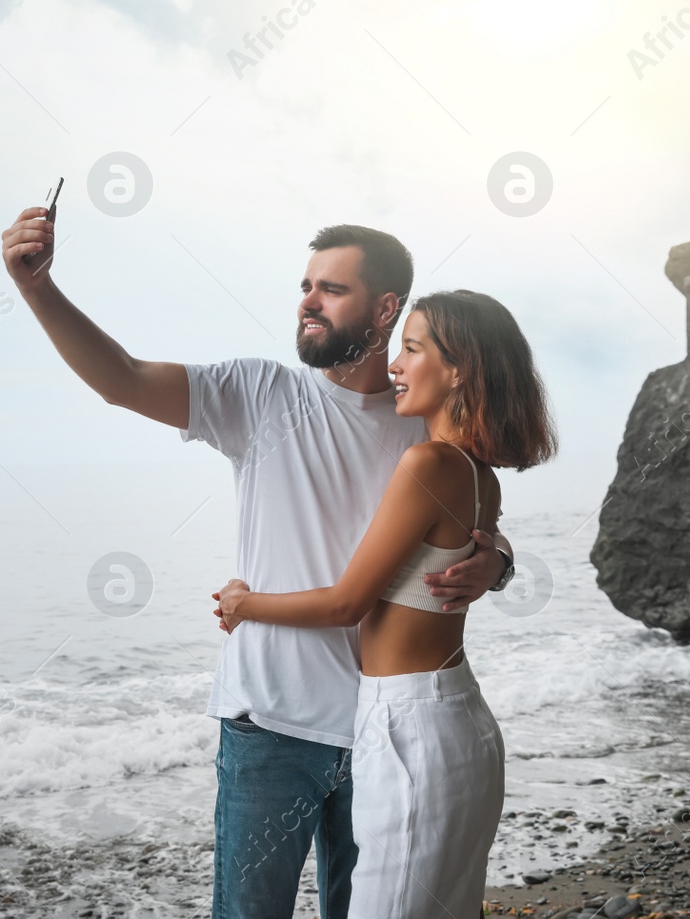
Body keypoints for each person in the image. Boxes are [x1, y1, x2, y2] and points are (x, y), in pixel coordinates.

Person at [0, 209, 519, 919]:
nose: (307, 300)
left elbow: (472, 516)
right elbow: (119, 379)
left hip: (382, 730)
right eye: (305, 284)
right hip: (271, 726)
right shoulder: (260, 394)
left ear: (385, 307)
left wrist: (499, 563)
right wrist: (38, 290)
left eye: (331, 288)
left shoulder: (421, 416)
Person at [214, 289, 556, 918]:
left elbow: (347, 603)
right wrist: (501, 561)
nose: (394, 364)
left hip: (412, 727)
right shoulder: (479, 475)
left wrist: (246, 602)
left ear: (458, 370)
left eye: (412, 348)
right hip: (448, 713)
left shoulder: (427, 463)